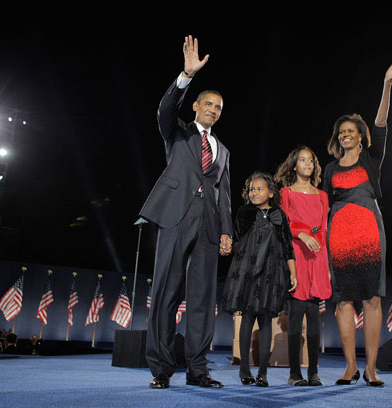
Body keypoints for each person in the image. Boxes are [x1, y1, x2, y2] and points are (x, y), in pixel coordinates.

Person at [139, 35, 233, 389]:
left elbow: (223, 194)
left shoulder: (222, 150)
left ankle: (198, 371)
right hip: (175, 219)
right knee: (166, 293)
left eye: (219, 107)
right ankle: (161, 370)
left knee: (202, 300)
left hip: (209, 228)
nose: (213, 109)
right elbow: (164, 110)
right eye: (208, 104)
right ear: (195, 105)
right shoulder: (176, 132)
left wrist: (226, 231)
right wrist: (185, 75)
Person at [322, 56, 392, 387]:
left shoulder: (372, 158)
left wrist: (387, 83)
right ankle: (349, 368)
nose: (346, 134)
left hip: (369, 232)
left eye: (351, 131)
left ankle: (372, 369)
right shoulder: (330, 170)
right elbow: (324, 208)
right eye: (342, 131)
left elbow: (381, 122)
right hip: (339, 236)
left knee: (372, 299)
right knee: (343, 300)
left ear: (360, 136)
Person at [221, 172, 297, 387]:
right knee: (247, 318)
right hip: (247, 271)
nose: (254, 192)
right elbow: (236, 239)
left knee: (265, 321)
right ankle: (245, 370)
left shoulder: (279, 215)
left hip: (272, 273)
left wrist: (293, 272)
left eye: (259, 189)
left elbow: (287, 246)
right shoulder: (244, 212)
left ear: (271, 193)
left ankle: (263, 372)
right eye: (252, 189)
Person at [275, 147, 332, 386]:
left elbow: (323, 229)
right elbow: (282, 226)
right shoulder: (285, 193)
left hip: (317, 257)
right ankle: (295, 374)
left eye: (311, 160)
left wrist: (326, 264)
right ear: (294, 166)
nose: (307, 163)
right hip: (296, 255)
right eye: (302, 159)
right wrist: (301, 234)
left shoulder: (322, 196)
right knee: (297, 316)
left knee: (314, 318)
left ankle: (314, 373)